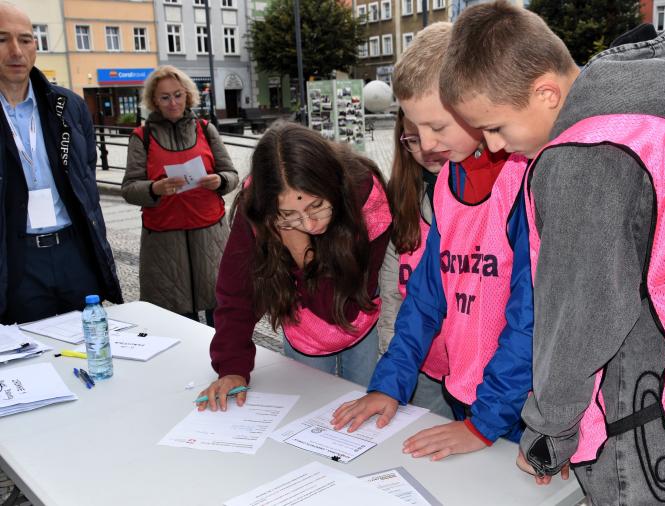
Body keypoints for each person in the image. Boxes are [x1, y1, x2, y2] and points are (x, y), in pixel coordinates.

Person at [441, 3, 665, 503]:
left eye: (496, 127)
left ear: (546, 92)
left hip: (659, 437)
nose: (496, 147)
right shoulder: (659, 126)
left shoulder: (584, 157)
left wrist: (549, 436)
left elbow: (577, 319)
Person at [332, 22, 533, 462]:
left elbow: (532, 320)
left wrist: (484, 423)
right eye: (414, 129)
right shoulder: (448, 183)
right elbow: (424, 298)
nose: (425, 144)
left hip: (519, 412)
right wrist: (390, 383)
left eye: (437, 125)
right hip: (471, 400)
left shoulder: (524, 182)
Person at [198, 122, 391, 411]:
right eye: (288, 213)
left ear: (333, 185)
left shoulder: (366, 195)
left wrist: (297, 245)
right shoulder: (258, 206)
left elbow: (343, 309)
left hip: (359, 320)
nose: (309, 224)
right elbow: (236, 291)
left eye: (316, 206)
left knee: (363, 413)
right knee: (308, 414)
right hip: (303, 330)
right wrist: (232, 368)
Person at [0, 2, 122, 324]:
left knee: (87, 344)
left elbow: (86, 178)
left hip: (73, 251)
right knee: (28, 357)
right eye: (2, 39)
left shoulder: (67, 105)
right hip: (16, 259)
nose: (16, 51)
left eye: (25, 39)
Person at [122, 66, 238, 327]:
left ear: (187, 95)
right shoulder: (142, 137)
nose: (173, 102)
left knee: (221, 318)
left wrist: (219, 181)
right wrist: (155, 188)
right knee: (175, 323)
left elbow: (231, 174)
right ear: (154, 101)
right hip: (164, 241)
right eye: (165, 97)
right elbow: (129, 188)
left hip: (210, 237)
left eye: (177, 95)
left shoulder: (206, 130)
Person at [377, 108, 451, 418]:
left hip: (483, 373)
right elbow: (392, 295)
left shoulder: (487, 196)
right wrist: (389, 370)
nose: (427, 149)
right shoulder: (400, 200)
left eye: (437, 132)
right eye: (413, 140)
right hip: (421, 365)